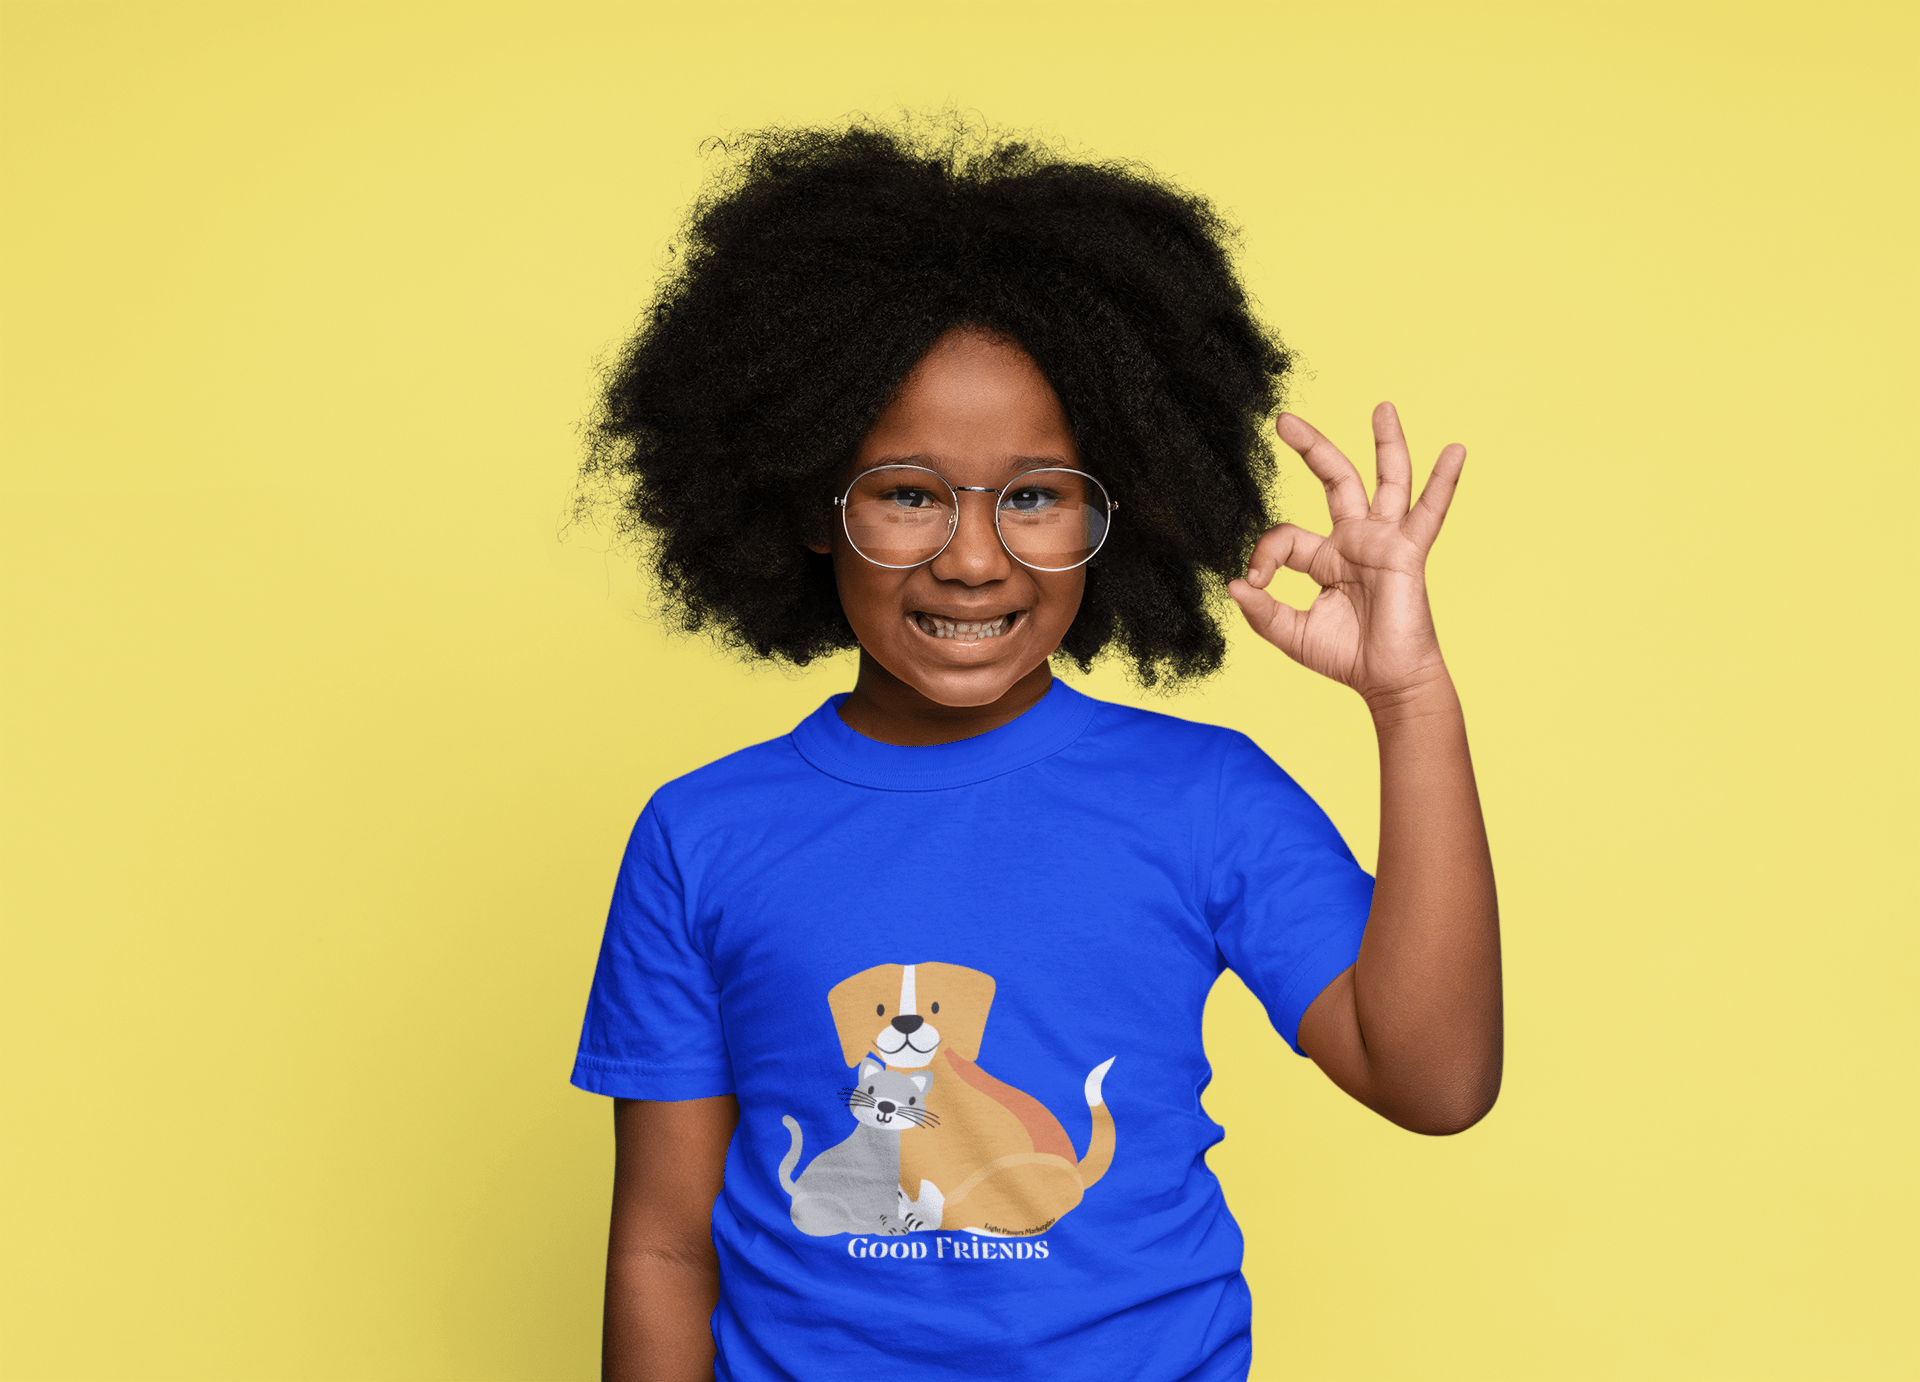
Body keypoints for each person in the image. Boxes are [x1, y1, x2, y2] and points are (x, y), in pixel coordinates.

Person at [571, 120, 1500, 1382]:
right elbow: (666, 1248)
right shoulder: (703, 834)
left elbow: (1435, 1079)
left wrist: (1412, 697)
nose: (970, 555)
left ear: (1114, 509)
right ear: (807, 501)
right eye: (907, 490)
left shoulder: (1205, 797)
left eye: (1034, 494)